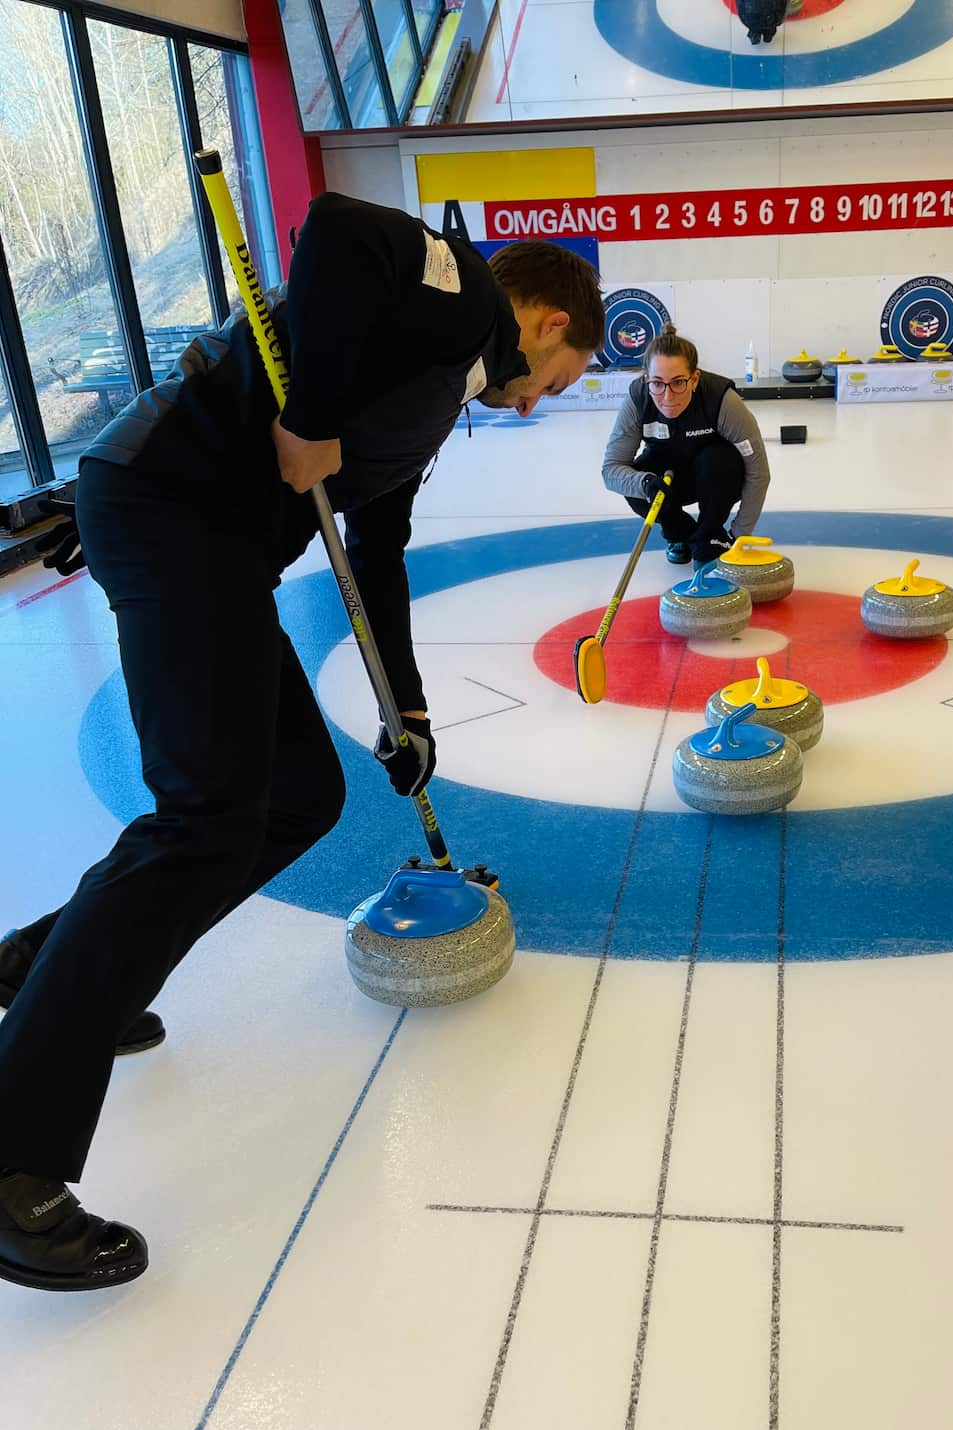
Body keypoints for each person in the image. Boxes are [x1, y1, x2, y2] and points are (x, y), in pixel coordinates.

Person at [0, 191, 604, 1293]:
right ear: (551, 323)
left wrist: (407, 711)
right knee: (205, 819)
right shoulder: (459, 291)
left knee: (296, 797)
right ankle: (13, 1161)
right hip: (173, 513)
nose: (535, 404)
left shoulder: (438, 389)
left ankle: (43, 965)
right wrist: (310, 415)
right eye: (556, 384)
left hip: (211, 539)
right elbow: (336, 232)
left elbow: (376, 548)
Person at [601, 324, 769, 570]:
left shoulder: (722, 400)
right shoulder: (638, 399)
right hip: (669, 482)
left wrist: (737, 535)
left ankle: (712, 535)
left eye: (678, 382)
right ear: (646, 379)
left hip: (715, 477)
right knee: (636, 483)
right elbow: (611, 469)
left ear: (695, 379)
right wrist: (645, 483)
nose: (668, 397)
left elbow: (758, 472)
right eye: (658, 383)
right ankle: (682, 534)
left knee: (719, 460)